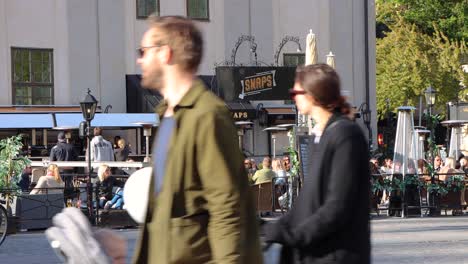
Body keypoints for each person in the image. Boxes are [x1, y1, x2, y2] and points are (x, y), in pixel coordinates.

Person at [132, 16, 261, 263]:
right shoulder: (168, 114)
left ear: (165, 54)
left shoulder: (207, 115)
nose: (140, 59)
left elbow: (227, 210)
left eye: (144, 51)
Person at [264, 64, 370, 263]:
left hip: (337, 255)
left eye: (296, 91)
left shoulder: (346, 135)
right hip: (320, 254)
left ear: (312, 95)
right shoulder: (322, 136)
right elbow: (309, 200)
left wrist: (293, 236)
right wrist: (273, 227)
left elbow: (337, 206)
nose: (293, 96)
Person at [49, 132, 78, 200]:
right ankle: (69, 203)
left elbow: (52, 162)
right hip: (69, 171)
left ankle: (60, 202)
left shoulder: (54, 148)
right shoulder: (71, 147)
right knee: (69, 187)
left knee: (59, 188)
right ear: (65, 138)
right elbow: (76, 159)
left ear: (58, 139)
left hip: (58, 172)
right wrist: (76, 171)